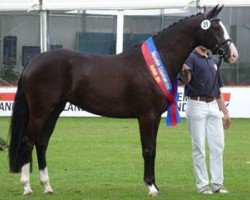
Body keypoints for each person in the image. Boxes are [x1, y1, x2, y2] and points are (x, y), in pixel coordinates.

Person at [180, 46, 230, 194]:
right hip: (196, 104)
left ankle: (217, 184)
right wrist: (185, 72)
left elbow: (218, 89)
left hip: (214, 105)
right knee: (199, 147)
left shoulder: (212, 59)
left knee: (218, 146)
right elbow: (186, 80)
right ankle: (203, 185)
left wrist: (225, 112)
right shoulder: (190, 57)